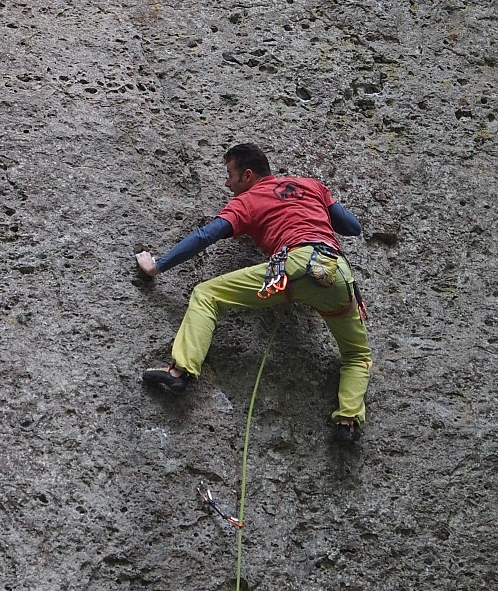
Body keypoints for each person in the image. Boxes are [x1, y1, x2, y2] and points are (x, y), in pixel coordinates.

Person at [136, 142, 372, 443]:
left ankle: (179, 371)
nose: (226, 183)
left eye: (230, 175)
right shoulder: (311, 186)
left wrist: (157, 266)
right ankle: (348, 421)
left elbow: (206, 236)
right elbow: (352, 227)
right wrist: (318, 205)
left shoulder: (247, 201)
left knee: (207, 294)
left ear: (247, 176)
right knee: (357, 354)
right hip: (338, 273)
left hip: (293, 267)